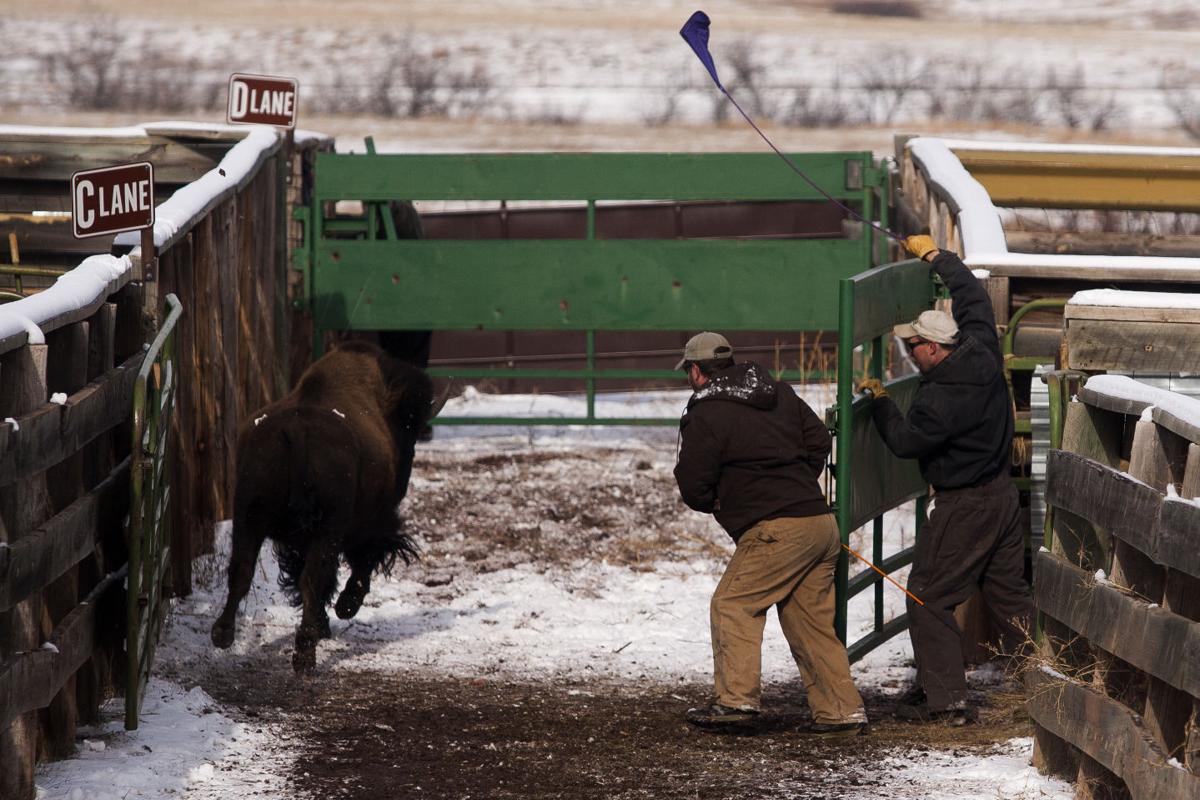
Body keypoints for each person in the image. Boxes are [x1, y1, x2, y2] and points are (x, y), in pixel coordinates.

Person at [856, 235, 1033, 726]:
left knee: (928, 595)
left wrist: (880, 403)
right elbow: (973, 297)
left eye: (913, 346)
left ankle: (947, 700)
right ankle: (1045, 684)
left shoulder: (941, 400)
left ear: (933, 347)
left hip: (965, 505)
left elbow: (908, 442)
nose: (909, 353)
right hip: (1000, 498)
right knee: (1009, 596)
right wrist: (938, 257)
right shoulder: (979, 348)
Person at [673, 332, 867, 736]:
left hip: (776, 530)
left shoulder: (706, 413)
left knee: (733, 604)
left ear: (695, 370)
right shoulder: (777, 392)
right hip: (819, 523)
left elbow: (693, 485)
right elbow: (818, 440)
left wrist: (728, 502)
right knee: (808, 621)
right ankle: (840, 711)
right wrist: (794, 484)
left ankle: (736, 701)